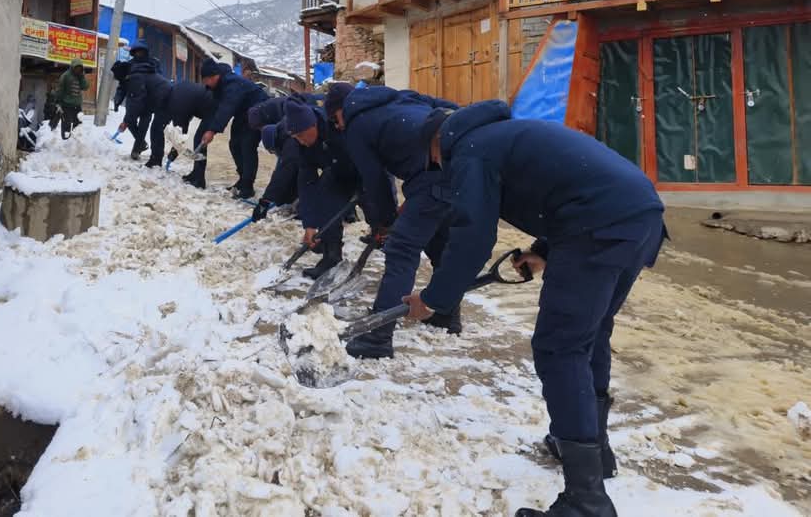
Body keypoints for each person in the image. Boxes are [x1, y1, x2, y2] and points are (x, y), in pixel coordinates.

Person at [400, 100, 666, 517]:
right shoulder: (505, 134)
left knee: (560, 348)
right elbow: (569, 184)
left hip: (596, 226)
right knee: (589, 335)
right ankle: (592, 452)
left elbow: (473, 236)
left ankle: (586, 501)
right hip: (640, 214)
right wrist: (542, 250)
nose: (435, 166)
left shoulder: (469, 149)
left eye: (432, 159)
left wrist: (434, 300)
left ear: (437, 144)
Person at [322, 83, 460, 358]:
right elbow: (450, 109)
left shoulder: (357, 125)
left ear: (340, 112)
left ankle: (378, 336)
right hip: (459, 165)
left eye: (335, 120)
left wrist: (384, 222)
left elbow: (376, 181)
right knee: (438, 242)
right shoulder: (402, 98)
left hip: (430, 176)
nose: (337, 127)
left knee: (402, 250)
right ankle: (447, 313)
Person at [282, 99, 360, 279]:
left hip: (365, 169)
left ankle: (385, 240)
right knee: (325, 198)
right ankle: (331, 255)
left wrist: (365, 187)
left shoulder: (337, 128)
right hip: (337, 171)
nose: (300, 141)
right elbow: (306, 182)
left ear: (313, 125)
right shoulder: (302, 146)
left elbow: (368, 158)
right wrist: (309, 224)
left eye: (302, 135)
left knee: (380, 215)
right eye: (295, 137)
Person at [185, 58, 268, 197]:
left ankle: (247, 187)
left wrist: (212, 131)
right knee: (234, 144)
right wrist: (208, 128)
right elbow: (216, 108)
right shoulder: (218, 86)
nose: (205, 84)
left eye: (206, 81)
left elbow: (226, 108)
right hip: (243, 114)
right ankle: (242, 180)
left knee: (247, 146)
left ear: (214, 76)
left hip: (259, 111)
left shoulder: (232, 84)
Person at [141, 80, 217, 169]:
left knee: (200, 139)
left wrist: (174, 152)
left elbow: (181, 133)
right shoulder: (173, 93)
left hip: (212, 108)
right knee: (156, 126)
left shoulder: (177, 103)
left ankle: (198, 177)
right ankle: (155, 159)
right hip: (199, 101)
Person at [55, 58, 89, 140]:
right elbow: (60, 90)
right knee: (66, 123)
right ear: (72, 67)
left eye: (80, 68)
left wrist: (82, 77)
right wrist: (58, 102)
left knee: (78, 124)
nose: (78, 70)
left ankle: (75, 141)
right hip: (66, 105)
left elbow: (85, 87)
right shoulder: (65, 76)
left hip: (77, 105)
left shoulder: (81, 76)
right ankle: (65, 141)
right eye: (76, 68)